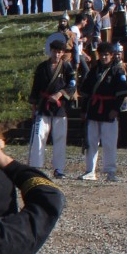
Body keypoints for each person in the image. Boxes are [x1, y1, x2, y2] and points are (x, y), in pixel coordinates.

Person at [78, 42, 127, 181]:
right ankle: (90, 170)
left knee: (109, 142)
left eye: (106, 55)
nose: (103, 57)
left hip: (109, 109)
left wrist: (115, 109)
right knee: (91, 141)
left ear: (112, 56)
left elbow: (121, 93)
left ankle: (110, 171)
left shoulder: (117, 71)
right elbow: (86, 93)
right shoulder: (94, 71)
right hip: (94, 109)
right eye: (101, 54)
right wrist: (84, 110)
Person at [27, 40, 75, 179]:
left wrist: (60, 94)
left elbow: (72, 86)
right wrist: (34, 107)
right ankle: (36, 166)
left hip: (59, 108)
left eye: (60, 52)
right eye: (55, 51)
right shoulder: (42, 67)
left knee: (59, 138)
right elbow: (35, 89)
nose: (57, 54)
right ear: (51, 51)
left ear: (63, 53)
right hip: (43, 106)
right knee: (39, 136)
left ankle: (59, 168)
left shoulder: (67, 68)